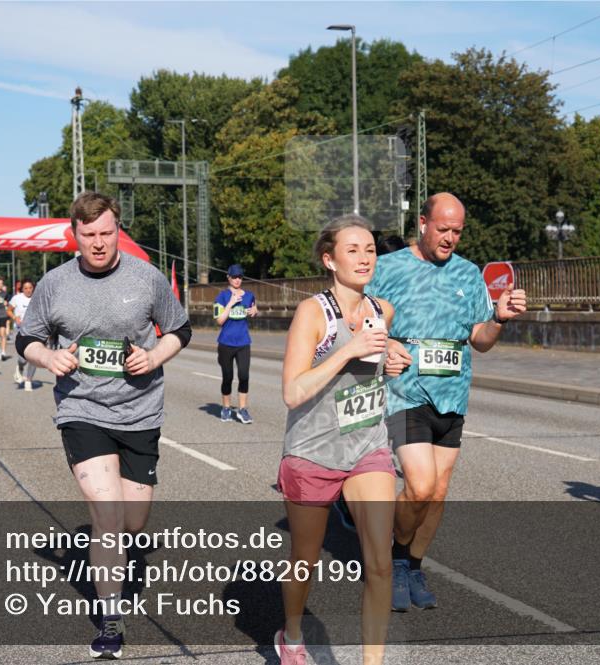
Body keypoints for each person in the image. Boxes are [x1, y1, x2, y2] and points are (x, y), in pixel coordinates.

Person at [17, 191, 190, 659]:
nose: (98, 243)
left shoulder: (146, 277)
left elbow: (180, 329)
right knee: (107, 516)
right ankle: (110, 619)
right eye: (89, 234)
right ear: (74, 235)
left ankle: (117, 558)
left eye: (106, 233)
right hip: (82, 409)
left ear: (118, 230)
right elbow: (26, 339)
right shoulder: (54, 284)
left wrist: (154, 355)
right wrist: (48, 355)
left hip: (140, 413)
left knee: (133, 524)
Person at [366, 192, 526, 611]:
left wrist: (498, 319)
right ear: (423, 223)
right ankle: (393, 560)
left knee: (436, 493)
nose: (450, 238)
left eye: (457, 231)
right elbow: (359, 324)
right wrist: (384, 350)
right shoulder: (387, 268)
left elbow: (481, 341)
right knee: (418, 485)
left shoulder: (469, 274)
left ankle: (412, 565)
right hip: (404, 393)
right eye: (443, 229)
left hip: (453, 394)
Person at [277, 214, 411, 665]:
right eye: (352, 249)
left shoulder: (382, 312)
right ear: (329, 259)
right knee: (305, 560)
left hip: (366, 446)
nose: (365, 257)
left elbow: (375, 361)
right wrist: (349, 351)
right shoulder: (313, 313)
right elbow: (293, 391)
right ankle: (291, 634)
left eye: (370, 249)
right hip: (313, 452)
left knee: (378, 560)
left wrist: (391, 357)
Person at [213, 263, 258, 423]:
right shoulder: (222, 297)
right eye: (234, 277)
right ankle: (226, 408)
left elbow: (253, 308)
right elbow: (219, 320)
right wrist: (230, 304)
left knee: (244, 376)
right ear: (228, 277)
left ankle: (242, 409)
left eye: (240, 277)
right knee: (228, 377)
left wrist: (255, 311)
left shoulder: (249, 295)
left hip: (243, 342)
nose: (237, 280)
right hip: (226, 342)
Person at [8, 280, 36, 392]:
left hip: (34, 330)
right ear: (22, 289)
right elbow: (9, 310)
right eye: (26, 288)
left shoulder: (37, 298)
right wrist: (15, 318)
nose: (28, 290)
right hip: (20, 330)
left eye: (30, 288)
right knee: (22, 358)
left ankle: (29, 380)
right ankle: (20, 366)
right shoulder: (17, 298)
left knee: (34, 357)